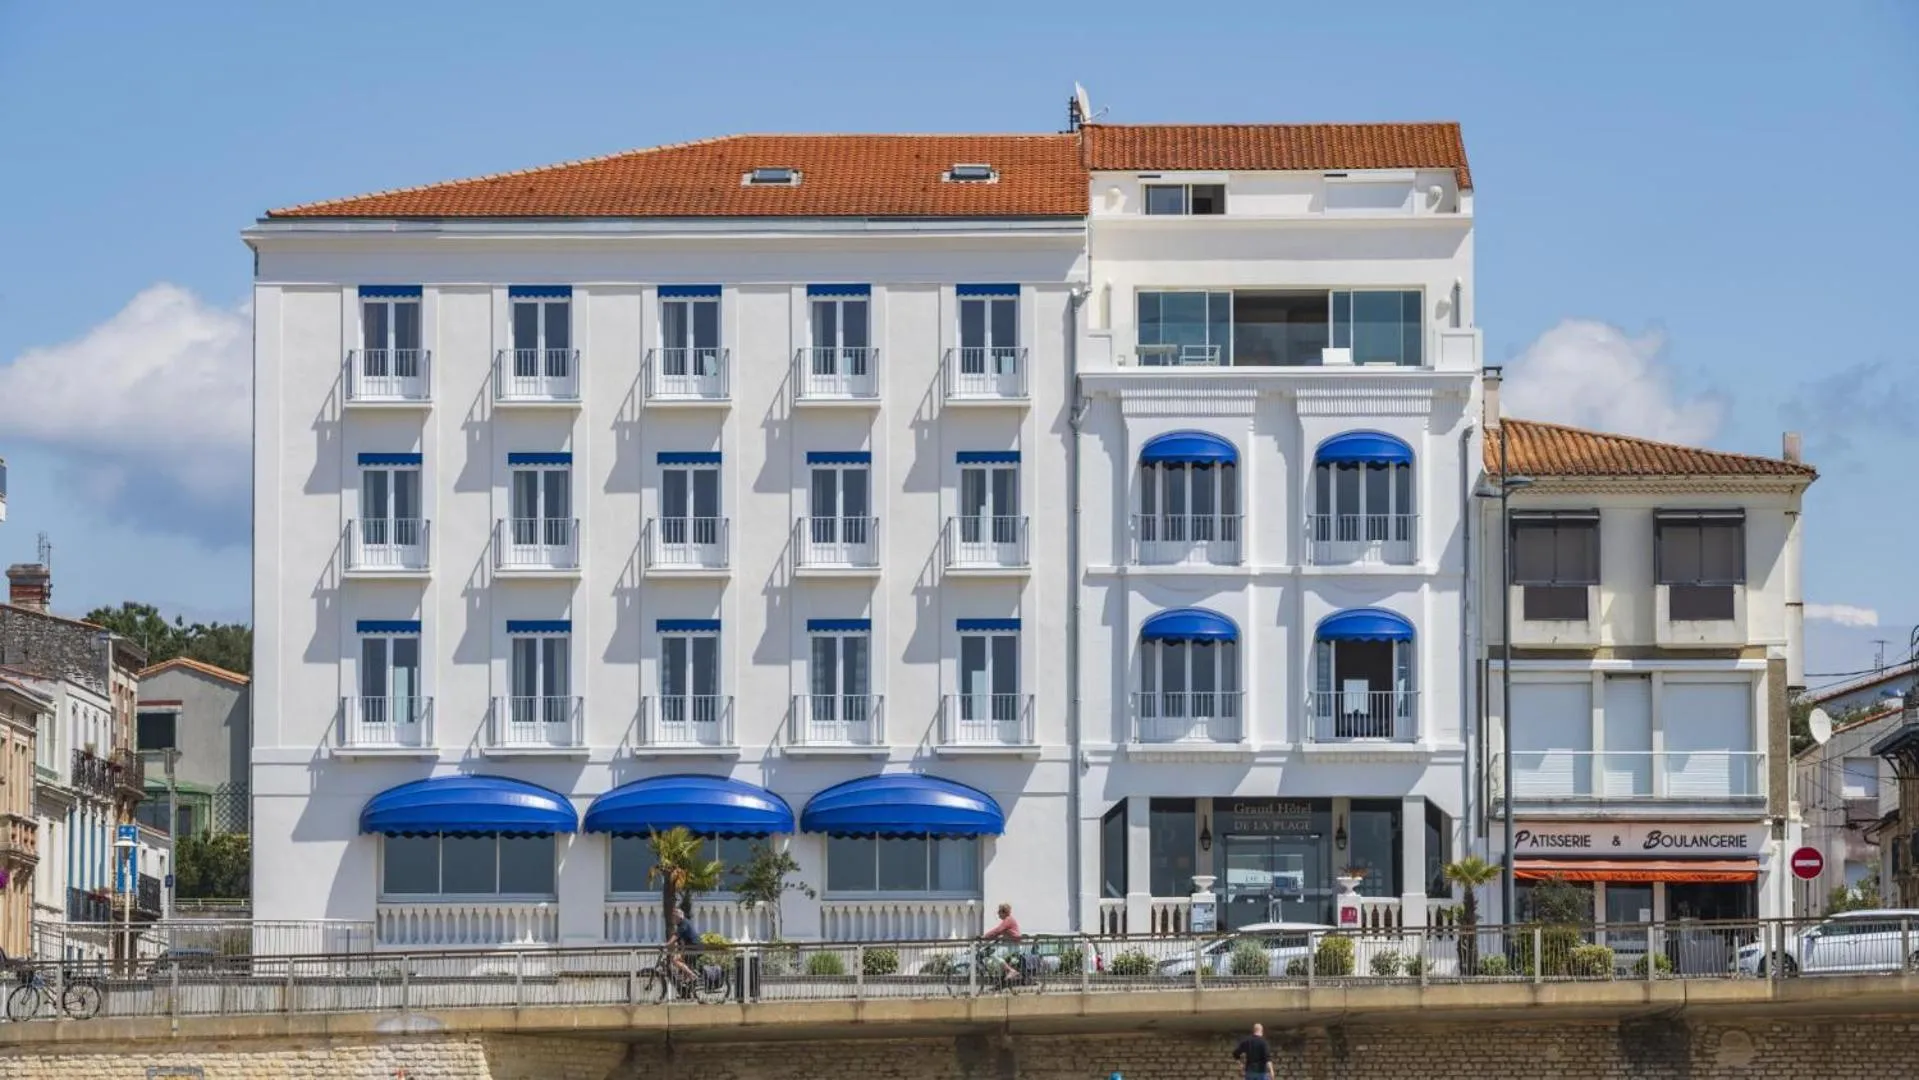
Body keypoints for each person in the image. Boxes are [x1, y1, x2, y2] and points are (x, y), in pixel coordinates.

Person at [981, 903, 1023, 983]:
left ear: (1004, 912)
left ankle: (1011, 971)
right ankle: (1001, 979)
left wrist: (984, 937)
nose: (998, 914)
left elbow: (998, 930)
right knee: (994, 959)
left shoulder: (1008, 920)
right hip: (1010, 944)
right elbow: (999, 933)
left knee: (994, 955)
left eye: (999, 912)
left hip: (1013, 945)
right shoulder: (1007, 920)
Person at [667, 909, 702, 991]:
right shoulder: (682, 925)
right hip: (692, 947)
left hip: (694, 947)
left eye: (675, 917)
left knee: (674, 959)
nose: (673, 919)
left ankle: (692, 975)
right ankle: (686, 991)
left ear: (680, 917)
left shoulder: (684, 923)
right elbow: (679, 941)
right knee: (682, 966)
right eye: (673, 917)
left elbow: (676, 935)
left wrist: (667, 944)